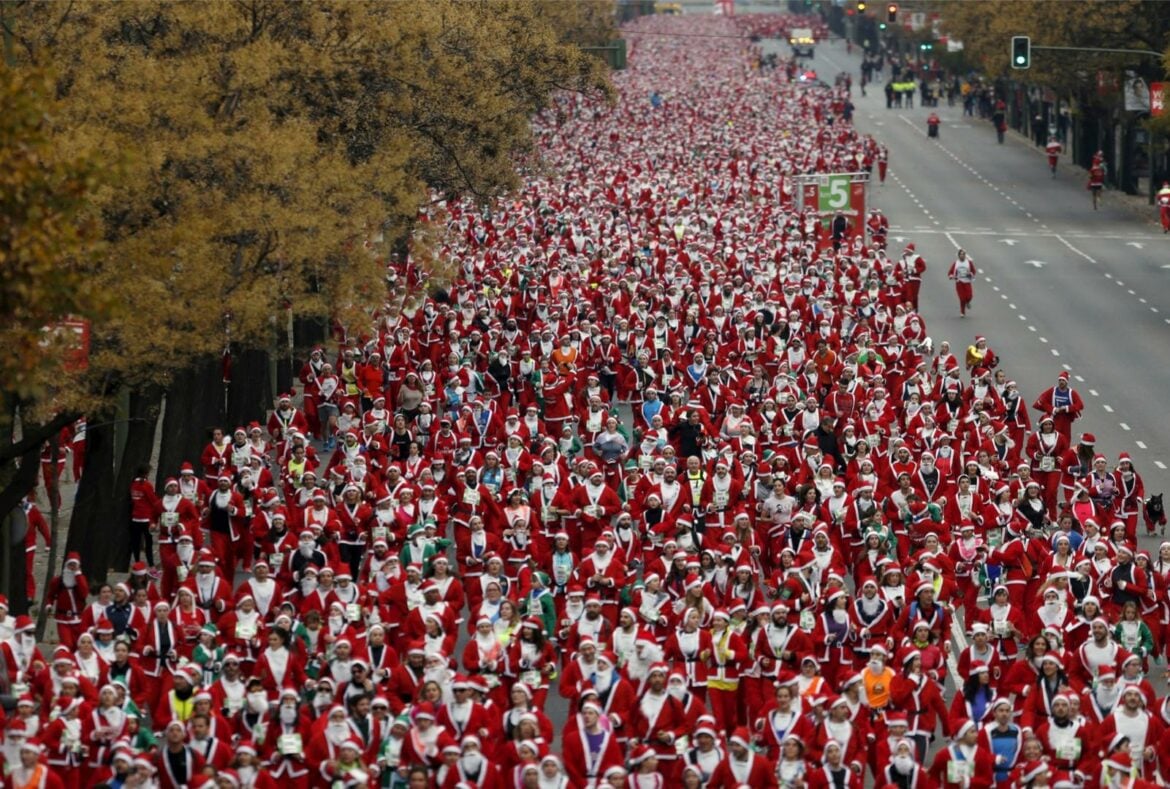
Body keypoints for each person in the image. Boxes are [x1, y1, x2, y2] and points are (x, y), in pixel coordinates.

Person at [947, 249, 976, 318]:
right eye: (961, 254)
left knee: (969, 296)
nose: (962, 256)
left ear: (965, 255)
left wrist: (970, 274)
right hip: (959, 282)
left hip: (967, 281)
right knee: (962, 298)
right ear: (958, 255)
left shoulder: (969, 263)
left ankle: (968, 302)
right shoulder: (956, 263)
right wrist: (952, 276)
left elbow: (973, 271)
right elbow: (950, 273)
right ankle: (962, 312)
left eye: (963, 254)